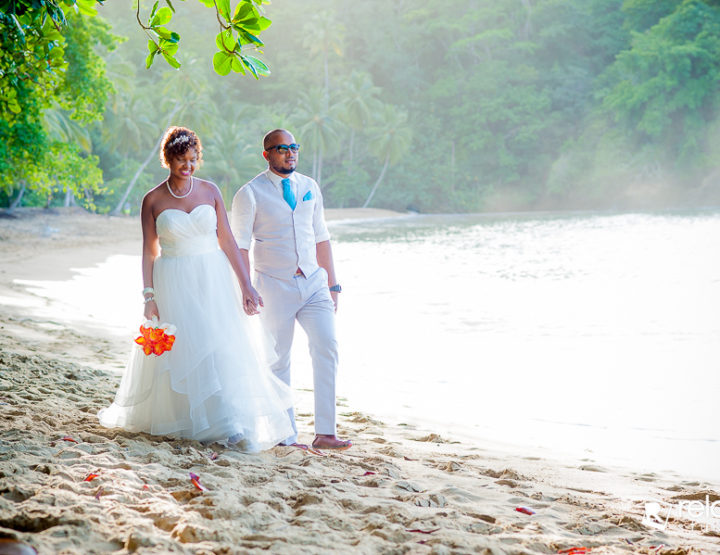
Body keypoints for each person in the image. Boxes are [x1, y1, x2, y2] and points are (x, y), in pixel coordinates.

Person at [98, 126, 294, 451]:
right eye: (180, 160)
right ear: (168, 159)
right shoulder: (153, 199)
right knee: (186, 348)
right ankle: (191, 421)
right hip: (173, 280)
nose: (187, 166)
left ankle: (230, 422)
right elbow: (149, 251)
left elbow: (228, 240)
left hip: (213, 278)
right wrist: (149, 296)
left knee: (221, 345)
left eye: (192, 159)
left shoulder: (210, 191)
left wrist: (246, 285)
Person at [231, 129, 351, 450]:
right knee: (278, 361)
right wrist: (245, 286)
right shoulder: (250, 193)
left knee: (327, 346)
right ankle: (285, 437)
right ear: (267, 154)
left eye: (293, 148)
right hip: (272, 286)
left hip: (314, 284)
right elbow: (239, 245)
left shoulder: (309, 187)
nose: (289, 153)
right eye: (281, 149)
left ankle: (326, 433)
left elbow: (322, 236)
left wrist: (333, 283)